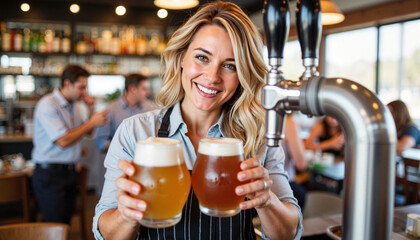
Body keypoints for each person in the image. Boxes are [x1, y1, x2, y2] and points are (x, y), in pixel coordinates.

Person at [93, 2, 302, 240]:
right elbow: (106, 233)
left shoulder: (258, 135)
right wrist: (126, 216)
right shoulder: (136, 131)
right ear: (182, 57)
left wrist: (268, 202)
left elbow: (288, 234)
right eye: (202, 57)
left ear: (243, 76)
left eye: (230, 65)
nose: (212, 77)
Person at [31, 64, 108, 224]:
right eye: (81, 87)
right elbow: (63, 141)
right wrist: (91, 122)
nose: (84, 92)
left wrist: (91, 110)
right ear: (67, 84)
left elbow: (87, 132)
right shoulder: (48, 104)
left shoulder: (75, 106)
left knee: (65, 222)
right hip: (50, 174)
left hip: (70, 172)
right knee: (55, 224)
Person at [94, 73, 156, 153]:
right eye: (144, 89)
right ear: (132, 89)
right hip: (118, 163)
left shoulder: (153, 108)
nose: (148, 93)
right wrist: (124, 153)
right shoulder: (110, 109)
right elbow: (101, 141)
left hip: (147, 160)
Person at [283, 114, 308, 209]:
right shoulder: (288, 123)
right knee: (303, 194)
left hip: (253, 188)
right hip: (283, 186)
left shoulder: (249, 119)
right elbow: (301, 164)